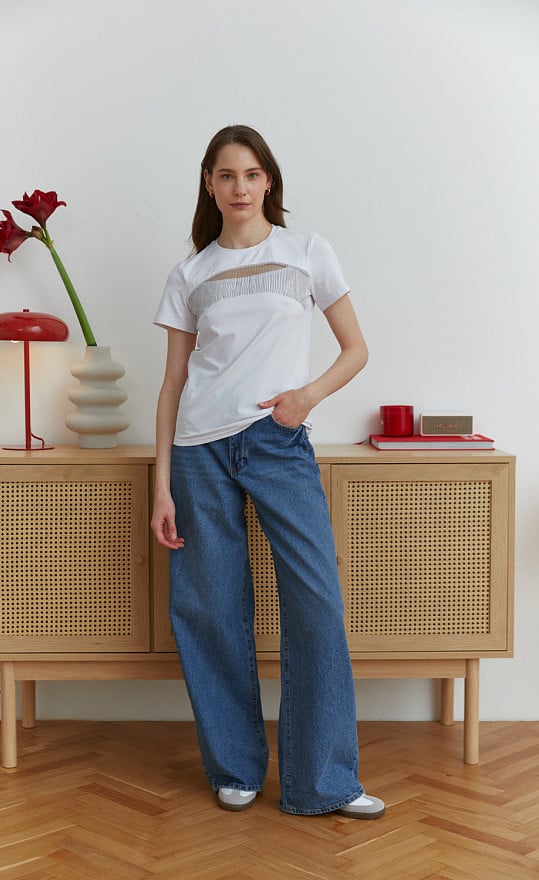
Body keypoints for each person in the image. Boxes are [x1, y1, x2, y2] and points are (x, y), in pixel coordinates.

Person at [151, 124, 385, 819]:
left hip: (278, 442)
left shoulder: (305, 252)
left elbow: (355, 349)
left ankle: (324, 782)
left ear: (268, 182)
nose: (240, 187)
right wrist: (161, 486)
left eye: (251, 174)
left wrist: (303, 400)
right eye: (226, 175)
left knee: (314, 603)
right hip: (198, 451)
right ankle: (235, 767)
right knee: (211, 608)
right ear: (209, 185)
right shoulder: (189, 273)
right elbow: (171, 384)